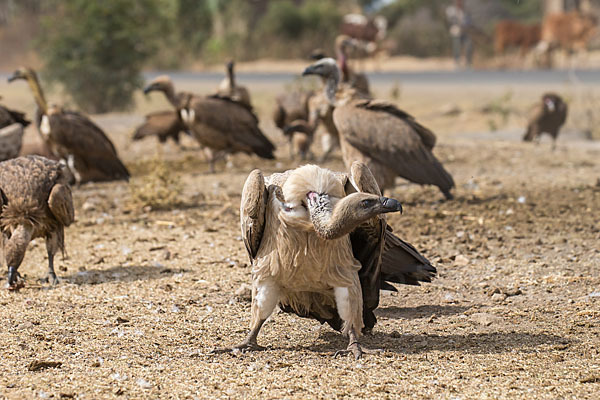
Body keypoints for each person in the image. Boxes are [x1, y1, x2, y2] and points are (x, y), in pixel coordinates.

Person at [446, 0, 473, 67]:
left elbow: (468, 20)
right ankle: (457, 62)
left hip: (465, 31)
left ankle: (468, 62)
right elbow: (451, 20)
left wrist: (466, 26)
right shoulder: (451, 10)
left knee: (468, 45)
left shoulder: (465, 10)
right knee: (456, 47)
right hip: (456, 31)